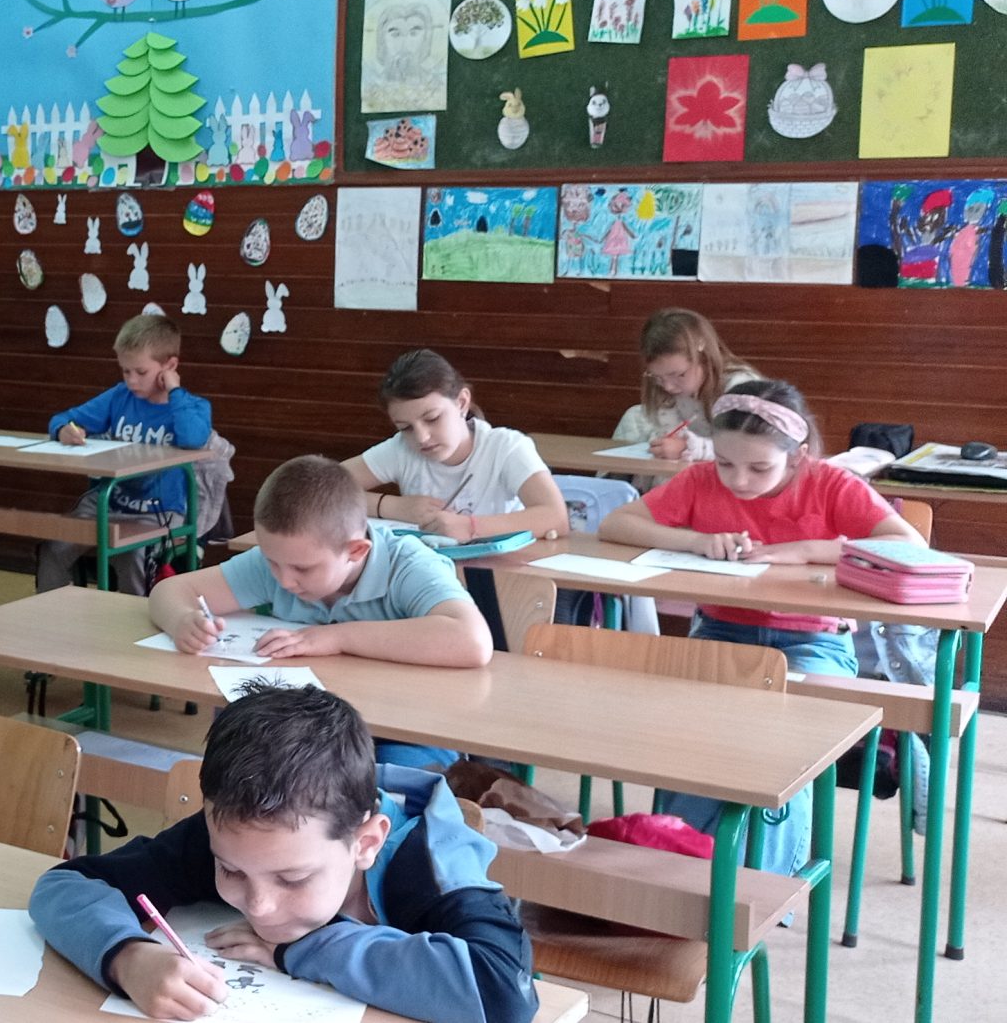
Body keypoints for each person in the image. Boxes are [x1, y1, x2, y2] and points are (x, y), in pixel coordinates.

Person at [29, 685, 535, 1023]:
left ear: (366, 843)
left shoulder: (434, 866)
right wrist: (127, 957)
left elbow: (505, 994)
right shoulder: (239, 833)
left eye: (293, 879)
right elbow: (65, 885)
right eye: (230, 871)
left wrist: (301, 948)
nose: (260, 905)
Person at [599, 379, 921, 874]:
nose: (739, 480)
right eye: (725, 463)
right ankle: (682, 876)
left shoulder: (829, 484)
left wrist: (806, 550)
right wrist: (695, 540)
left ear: (798, 456)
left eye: (759, 468)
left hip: (814, 641)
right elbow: (616, 524)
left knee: (780, 747)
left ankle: (761, 889)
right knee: (692, 740)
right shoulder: (701, 480)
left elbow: (908, 545)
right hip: (722, 634)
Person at [150, 456, 488, 767]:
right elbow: (171, 590)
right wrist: (182, 620)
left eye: (303, 569)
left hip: (408, 729)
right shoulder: (283, 561)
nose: (284, 580)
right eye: (272, 562)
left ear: (356, 551)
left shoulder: (409, 564)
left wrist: (334, 638)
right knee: (247, 770)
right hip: (308, 730)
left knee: (393, 788)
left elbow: (472, 641)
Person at [341, 350, 569, 649]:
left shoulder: (505, 447)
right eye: (405, 428)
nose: (421, 437)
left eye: (432, 419)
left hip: (501, 583)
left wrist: (471, 526)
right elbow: (321, 489)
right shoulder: (401, 450)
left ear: (461, 402)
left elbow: (555, 516)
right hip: (429, 583)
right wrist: (391, 505)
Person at [37, 312, 214, 595]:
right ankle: (48, 612)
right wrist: (63, 431)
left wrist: (174, 390)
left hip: (159, 511)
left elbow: (193, 439)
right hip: (109, 503)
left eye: (141, 372)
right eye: (125, 371)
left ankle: (133, 619)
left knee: (132, 555)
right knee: (54, 547)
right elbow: (62, 418)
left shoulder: (193, 406)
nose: (132, 380)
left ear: (170, 366)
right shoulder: (119, 397)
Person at [614, 308, 759, 462]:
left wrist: (688, 448)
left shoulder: (740, 388)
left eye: (678, 375)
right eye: (658, 377)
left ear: (702, 355)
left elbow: (752, 448)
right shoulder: (666, 390)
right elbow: (670, 439)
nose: (668, 387)